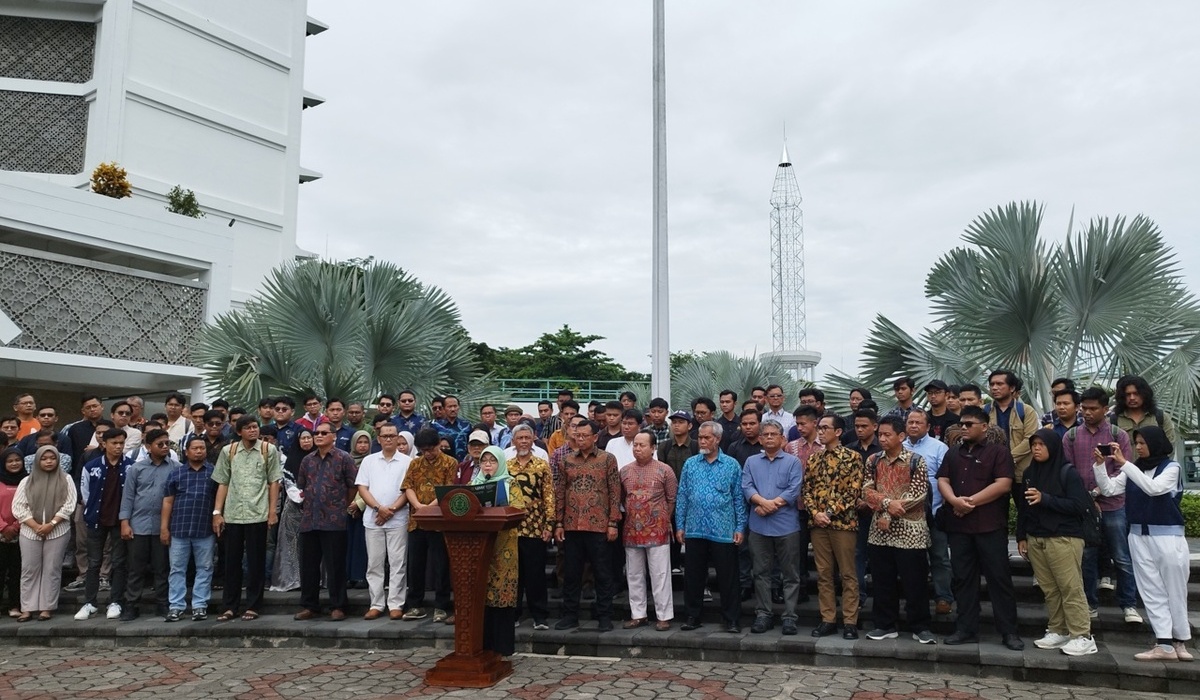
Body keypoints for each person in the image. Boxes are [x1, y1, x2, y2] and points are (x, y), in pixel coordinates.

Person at [1092, 426, 1192, 662]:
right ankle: (1165, 643)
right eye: (1136, 443)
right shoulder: (1133, 469)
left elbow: (1154, 489)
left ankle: (1180, 640)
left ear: (1155, 443)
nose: (1137, 447)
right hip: (1138, 536)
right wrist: (1099, 466)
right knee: (1151, 589)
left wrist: (1125, 463)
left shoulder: (1172, 468)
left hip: (1168, 537)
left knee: (1175, 589)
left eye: (1142, 443)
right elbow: (1109, 489)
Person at [937, 405, 1024, 650]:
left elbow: (1004, 484)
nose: (963, 428)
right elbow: (943, 479)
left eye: (969, 424)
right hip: (959, 526)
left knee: (999, 580)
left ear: (984, 427)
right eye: (961, 424)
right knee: (963, 579)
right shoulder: (953, 453)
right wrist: (954, 501)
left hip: (989, 526)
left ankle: (1009, 632)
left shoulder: (999, 452)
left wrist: (969, 502)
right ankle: (966, 629)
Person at [1016, 429, 1095, 656]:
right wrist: (1022, 536)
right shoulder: (1030, 472)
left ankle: (1082, 635)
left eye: (1041, 444)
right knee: (1050, 589)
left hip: (1064, 536)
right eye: (1034, 444)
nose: (1036, 448)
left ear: (1053, 446)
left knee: (1070, 587)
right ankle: (1058, 630)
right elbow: (1024, 508)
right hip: (1037, 536)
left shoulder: (1067, 472)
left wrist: (1045, 498)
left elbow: (1078, 506)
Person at [1062, 387, 1138, 621]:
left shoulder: (1118, 435)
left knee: (1122, 556)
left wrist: (1095, 493)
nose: (1087, 412)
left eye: (1093, 408)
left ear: (1106, 409)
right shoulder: (1071, 436)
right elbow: (1068, 471)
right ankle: (1090, 605)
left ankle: (1129, 604)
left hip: (1114, 504)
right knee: (1087, 558)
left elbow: (1122, 470)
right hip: (1084, 508)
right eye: (1084, 408)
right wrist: (1087, 498)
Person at [862, 416, 933, 644]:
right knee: (882, 581)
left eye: (887, 434)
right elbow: (866, 491)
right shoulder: (873, 460)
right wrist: (886, 506)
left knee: (915, 581)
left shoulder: (916, 460)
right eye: (880, 434)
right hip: (880, 532)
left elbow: (919, 493)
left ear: (901, 436)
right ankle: (884, 625)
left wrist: (887, 511)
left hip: (911, 532)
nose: (882, 439)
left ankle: (920, 626)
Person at [675, 421, 747, 633]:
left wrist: (740, 526)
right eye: (701, 438)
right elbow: (682, 495)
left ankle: (732, 619)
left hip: (723, 528)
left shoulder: (731, 464)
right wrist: (680, 525)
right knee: (694, 576)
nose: (702, 442)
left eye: (707, 438)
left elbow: (738, 498)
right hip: (695, 527)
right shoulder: (690, 464)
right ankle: (692, 616)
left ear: (718, 439)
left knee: (728, 577)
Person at [212, 417, 283, 622]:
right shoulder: (229, 451)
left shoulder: (267, 450)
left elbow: (274, 482)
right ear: (239, 431)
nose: (253, 431)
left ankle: (253, 605)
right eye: (248, 428)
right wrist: (217, 513)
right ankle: (229, 606)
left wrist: (272, 511)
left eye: (255, 427)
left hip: (257, 513)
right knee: (231, 562)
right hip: (233, 513)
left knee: (255, 561)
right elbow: (223, 482)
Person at [554, 419, 621, 632]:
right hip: (572, 525)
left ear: (595, 437)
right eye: (577, 436)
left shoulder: (607, 459)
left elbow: (614, 492)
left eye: (584, 436)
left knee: (602, 573)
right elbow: (560, 492)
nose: (580, 439)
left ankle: (604, 616)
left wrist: (613, 523)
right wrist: (558, 522)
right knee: (572, 574)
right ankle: (570, 615)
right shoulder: (566, 461)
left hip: (599, 525)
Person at [804, 415, 865, 639]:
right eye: (819, 428)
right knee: (823, 574)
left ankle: (850, 620)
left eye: (825, 428)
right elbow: (807, 490)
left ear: (838, 432)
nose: (820, 431)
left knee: (848, 573)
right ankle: (827, 618)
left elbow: (853, 491)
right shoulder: (814, 459)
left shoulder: (853, 458)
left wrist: (828, 513)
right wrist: (815, 513)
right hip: (818, 524)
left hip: (843, 523)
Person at [742, 419, 803, 635]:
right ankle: (763, 614)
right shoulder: (751, 462)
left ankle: (789, 617)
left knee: (790, 573)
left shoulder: (793, 462)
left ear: (782, 439)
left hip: (786, 525)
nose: (769, 437)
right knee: (760, 572)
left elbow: (794, 490)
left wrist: (768, 505)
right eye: (765, 434)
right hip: (758, 526)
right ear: (759, 438)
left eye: (773, 434)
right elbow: (746, 486)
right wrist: (761, 502)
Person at [293, 423, 358, 621]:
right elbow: (301, 485)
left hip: (334, 520)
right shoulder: (307, 460)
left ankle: (338, 606)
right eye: (316, 433)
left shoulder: (344, 458)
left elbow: (352, 485)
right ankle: (310, 606)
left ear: (333, 436)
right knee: (308, 566)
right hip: (309, 520)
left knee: (335, 566)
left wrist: (342, 506)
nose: (319, 436)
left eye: (323, 433)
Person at [620, 431, 677, 631]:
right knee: (634, 574)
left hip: (658, 530)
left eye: (642, 445)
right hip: (631, 531)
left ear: (653, 448)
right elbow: (621, 498)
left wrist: (661, 518)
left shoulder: (665, 470)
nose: (637, 448)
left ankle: (663, 616)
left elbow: (672, 499)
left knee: (660, 574)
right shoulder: (625, 471)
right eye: (635, 445)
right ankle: (638, 614)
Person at [355, 423, 413, 620]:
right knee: (374, 563)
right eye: (385, 436)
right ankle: (376, 603)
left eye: (392, 435)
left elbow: (408, 490)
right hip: (373, 519)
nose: (388, 439)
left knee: (398, 563)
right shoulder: (369, 461)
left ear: (398, 438)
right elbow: (362, 488)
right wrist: (379, 509)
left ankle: (396, 604)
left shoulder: (408, 462)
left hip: (398, 518)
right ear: (378, 439)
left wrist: (392, 509)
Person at [118, 428, 177, 620]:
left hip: (164, 526)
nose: (165, 447)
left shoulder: (176, 467)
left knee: (162, 568)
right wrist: (125, 523)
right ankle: (131, 605)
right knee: (136, 568)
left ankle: (162, 603)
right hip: (139, 524)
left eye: (167, 443)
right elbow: (127, 497)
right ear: (148, 447)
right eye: (160, 444)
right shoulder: (137, 468)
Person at [12, 445, 76, 621]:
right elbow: (18, 506)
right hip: (30, 532)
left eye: (52, 458)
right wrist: (35, 525)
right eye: (44, 458)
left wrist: (52, 523)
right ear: (38, 460)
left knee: (52, 569)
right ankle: (27, 608)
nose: (49, 461)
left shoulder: (66, 479)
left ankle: (46, 608)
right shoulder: (27, 481)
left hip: (58, 531)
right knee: (29, 569)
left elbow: (69, 505)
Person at [76, 428, 133, 621]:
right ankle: (89, 602)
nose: (118, 447)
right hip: (96, 519)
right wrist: (89, 511)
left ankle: (115, 600)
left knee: (119, 562)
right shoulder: (91, 466)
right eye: (114, 443)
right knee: (93, 563)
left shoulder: (131, 466)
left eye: (121, 443)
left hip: (120, 520)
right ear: (104, 444)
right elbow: (84, 492)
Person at [402, 428, 457, 621]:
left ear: (438, 445)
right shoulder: (415, 464)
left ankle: (441, 606)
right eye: (423, 450)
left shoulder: (450, 463)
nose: (428, 453)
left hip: (439, 521)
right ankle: (415, 605)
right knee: (415, 565)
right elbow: (408, 486)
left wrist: (429, 508)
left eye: (431, 449)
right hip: (416, 520)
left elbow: (448, 490)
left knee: (440, 564)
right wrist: (418, 505)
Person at [161, 435, 217, 621]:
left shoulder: (214, 472)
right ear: (187, 451)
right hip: (179, 529)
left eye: (202, 448)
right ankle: (176, 606)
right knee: (177, 569)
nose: (199, 451)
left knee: (205, 567)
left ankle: (199, 605)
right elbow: (168, 502)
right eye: (195, 448)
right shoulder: (176, 473)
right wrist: (164, 527)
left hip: (205, 529)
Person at [902, 409, 953, 616]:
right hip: (905, 515)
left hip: (934, 511)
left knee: (939, 557)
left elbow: (946, 478)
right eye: (910, 422)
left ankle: (943, 597)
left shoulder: (940, 448)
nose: (913, 426)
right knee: (912, 561)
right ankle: (915, 599)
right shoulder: (899, 446)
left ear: (928, 427)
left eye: (918, 423)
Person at [474, 446, 521, 655]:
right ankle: (480, 645)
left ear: (500, 463)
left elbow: (519, 509)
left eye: (492, 462)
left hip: (503, 547)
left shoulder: (511, 483)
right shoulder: (473, 485)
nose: (488, 465)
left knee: (501, 592)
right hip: (477, 546)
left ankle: (502, 647)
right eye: (484, 462)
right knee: (480, 593)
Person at [507, 424, 554, 630]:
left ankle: (539, 616)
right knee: (513, 573)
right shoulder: (506, 466)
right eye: (520, 438)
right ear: (513, 441)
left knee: (536, 574)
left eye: (527, 437)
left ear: (533, 439)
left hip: (535, 526)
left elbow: (549, 496)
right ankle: (513, 614)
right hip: (510, 528)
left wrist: (549, 524)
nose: (524, 441)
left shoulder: (542, 465)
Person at [271, 428, 313, 592]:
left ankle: (315, 579)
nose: (306, 441)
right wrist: (302, 497)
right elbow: (289, 484)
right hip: (294, 508)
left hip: (317, 508)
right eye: (303, 438)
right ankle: (293, 579)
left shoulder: (319, 459)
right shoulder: (291, 460)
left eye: (309, 438)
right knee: (292, 545)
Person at [1111, 375, 1177, 444]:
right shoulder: (1113, 420)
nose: (1132, 398)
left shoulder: (1160, 418)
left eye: (1136, 393)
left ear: (1145, 394)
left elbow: (1170, 446)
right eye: (1128, 394)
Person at [1, 447, 27, 618]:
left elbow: (30, 505)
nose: (14, 464)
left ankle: (14, 605)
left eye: (17, 460)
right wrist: (4, 527)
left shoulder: (28, 481)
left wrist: (16, 526)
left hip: (22, 531)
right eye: (10, 461)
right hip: (1, 533)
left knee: (17, 571)